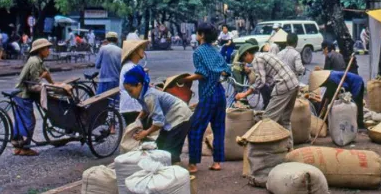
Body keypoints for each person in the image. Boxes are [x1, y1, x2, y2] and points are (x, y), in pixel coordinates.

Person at [185, 22, 232, 173]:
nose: (197, 35)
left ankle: (193, 164)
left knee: (195, 127)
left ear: (202, 35)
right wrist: (216, 74)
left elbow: (201, 74)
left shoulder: (198, 52)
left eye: (198, 33)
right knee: (218, 128)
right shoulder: (216, 50)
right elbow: (226, 70)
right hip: (220, 92)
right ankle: (217, 162)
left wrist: (185, 80)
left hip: (208, 93)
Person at [123, 65, 192, 164]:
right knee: (160, 146)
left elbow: (159, 122)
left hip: (180, 116)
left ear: (139, 85)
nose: (130, 94)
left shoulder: (149, 96)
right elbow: (145, 109)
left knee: (169, 151)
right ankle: (171, 167)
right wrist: (136, 122)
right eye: (127, 92)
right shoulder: (141, 93)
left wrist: (145, 133)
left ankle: (175, 171)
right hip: (170, 117)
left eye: (130, 91)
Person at [234, 43, 300, 146]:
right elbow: (267, 78)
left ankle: (265, 148)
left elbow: (261, 81)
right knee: (285, 120)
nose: (245, 62)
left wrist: (244, 94)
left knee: (267, 118)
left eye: (244, 59)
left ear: (247, 54)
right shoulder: (265, 55)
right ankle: (289, 148)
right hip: (294, 84)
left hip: (284, 86)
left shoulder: (257, 59)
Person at [12, 38, 55, 156]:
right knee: (29, 121)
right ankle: (25, 148)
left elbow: (46, 73)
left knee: (20, 120)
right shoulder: (35, 62)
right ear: (40, 50)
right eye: (47, 49)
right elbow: (35, 83)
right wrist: (48, 88)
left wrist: (53, 84)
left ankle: (17, 146)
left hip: (20, 93)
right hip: (23, 94)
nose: (49, 51)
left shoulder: (38, 60)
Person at [118, 38, 149, 124]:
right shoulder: (130, 67)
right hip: (133, 107)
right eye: (141, 48)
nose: (143, 50)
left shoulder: (131, 66)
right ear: (134, 51)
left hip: (132, 106)